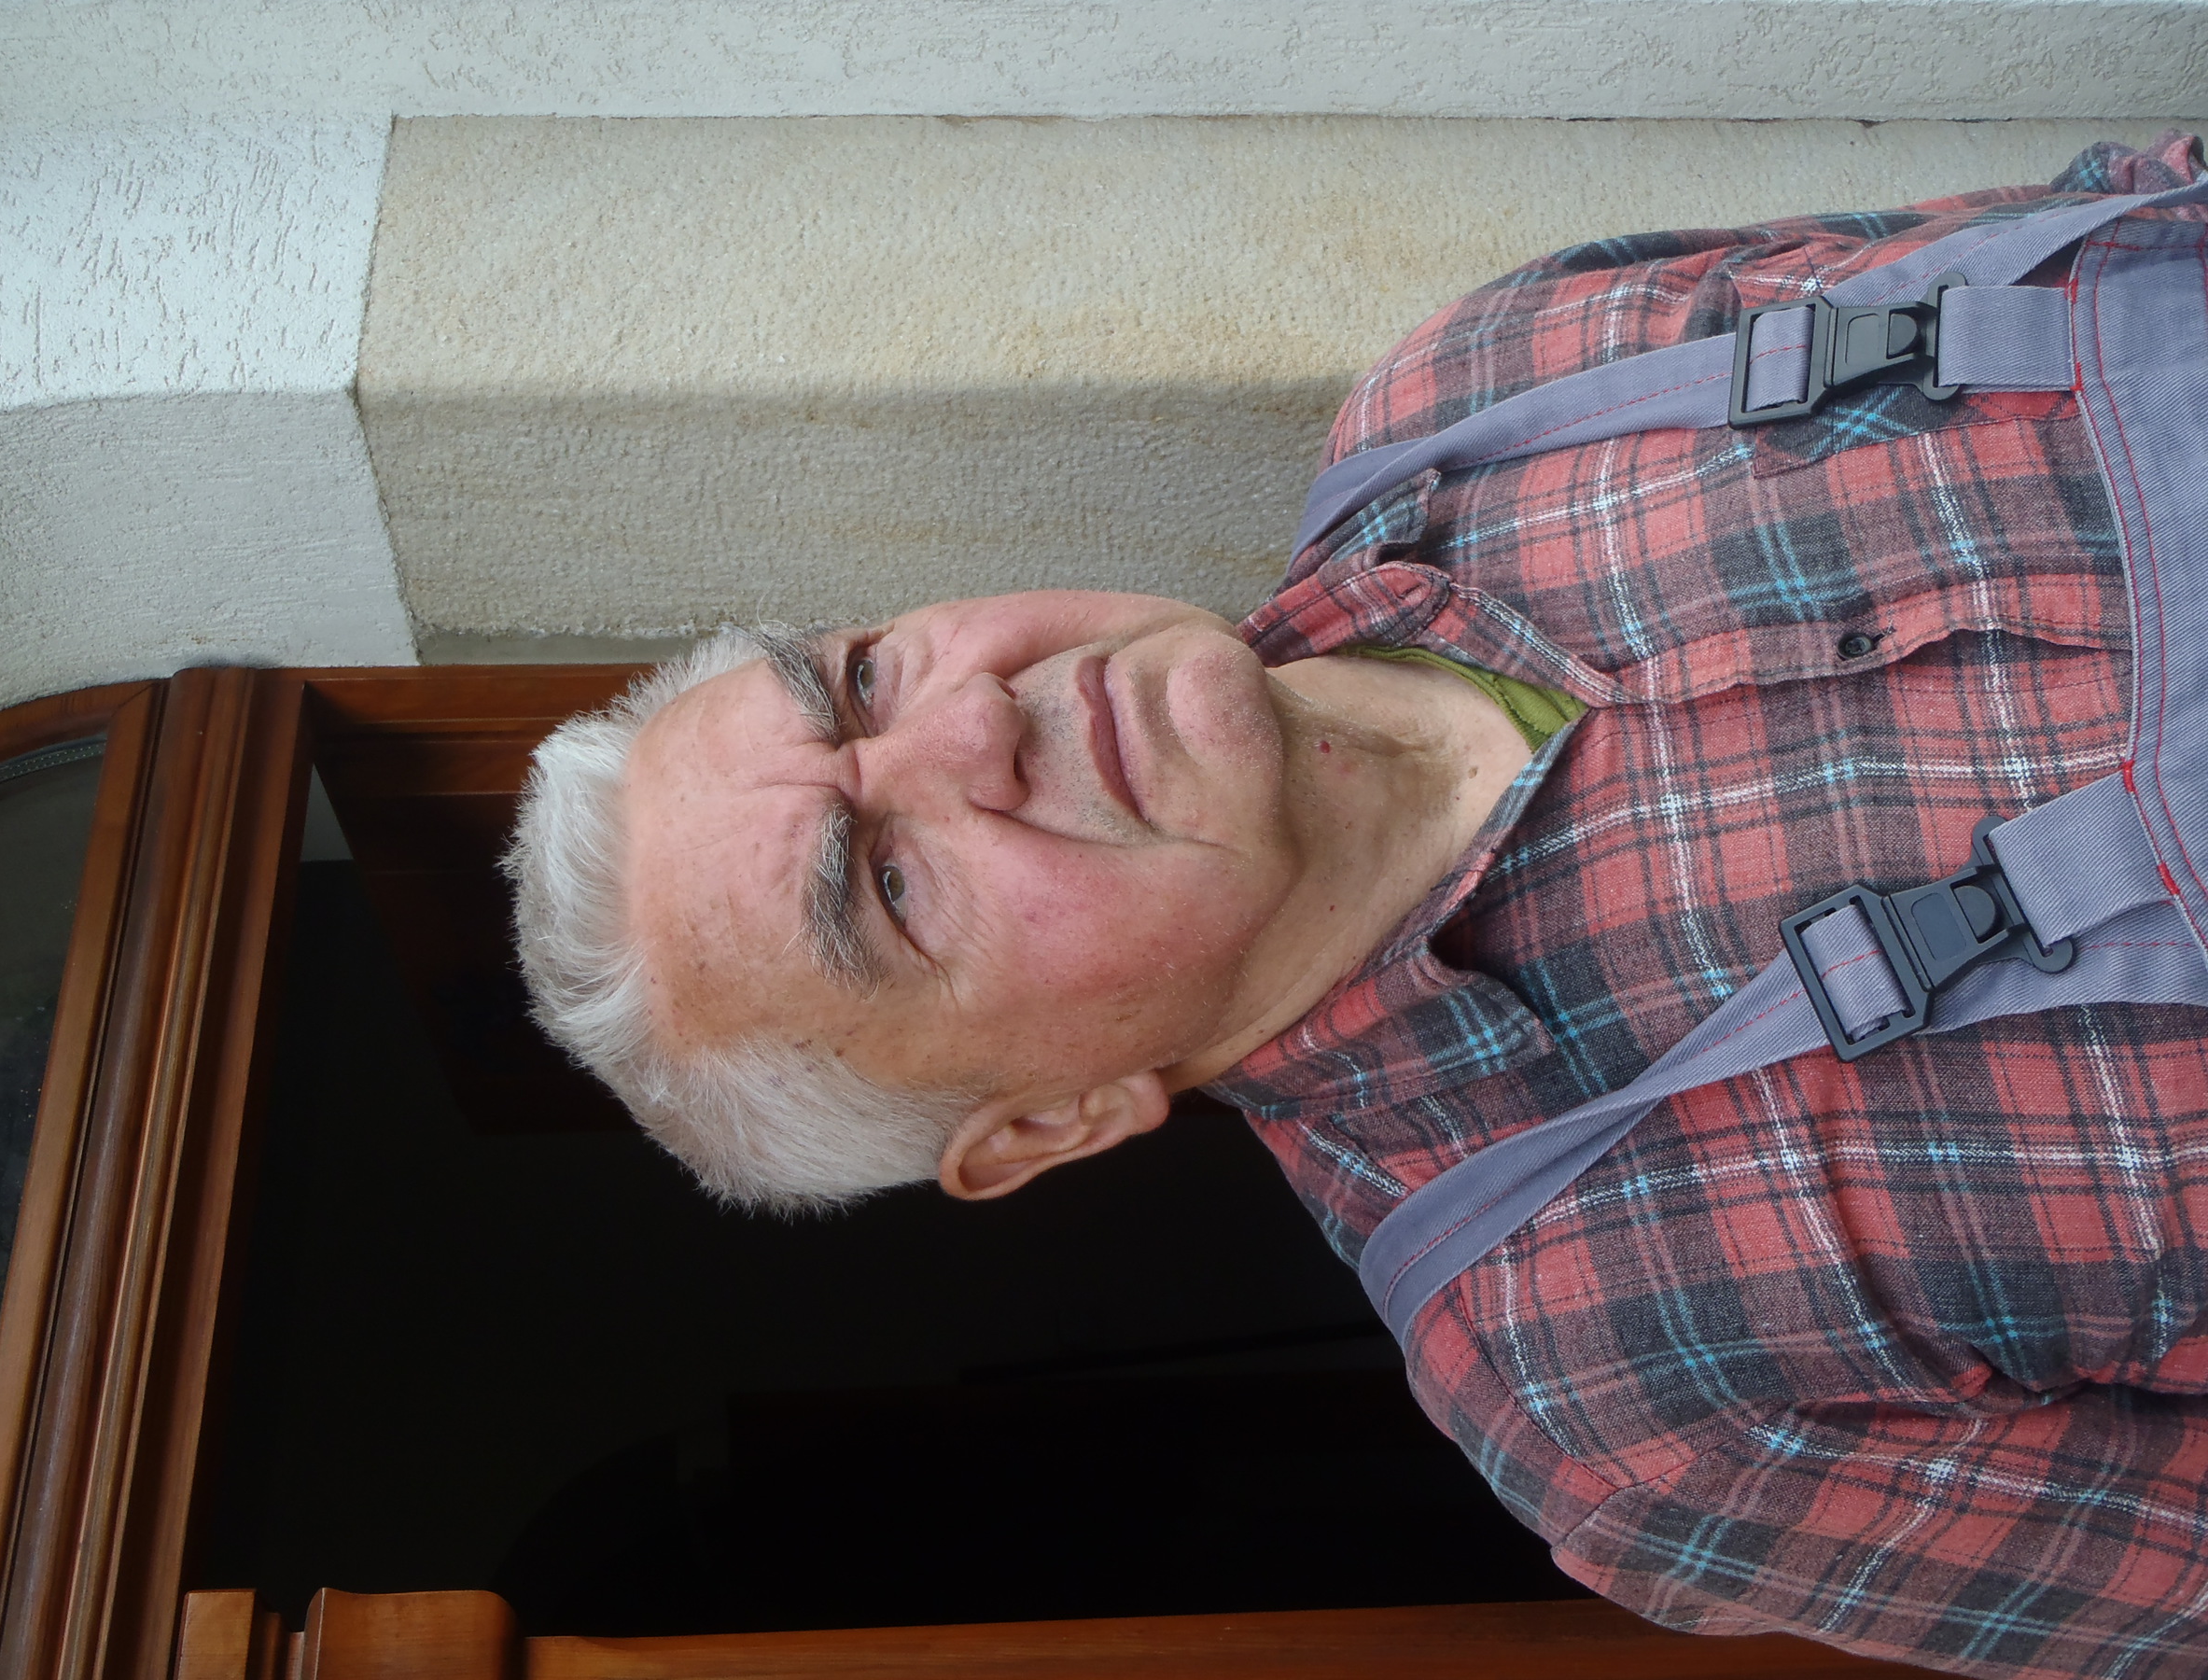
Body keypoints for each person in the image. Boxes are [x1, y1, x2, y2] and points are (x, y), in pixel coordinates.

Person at [506, 133, 2208, 1678]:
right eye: (888, 882)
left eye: (863, 677)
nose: (970, 724)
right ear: (1047, 1124)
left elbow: (2142, 209)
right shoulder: (1626, 1406)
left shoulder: (1494, 376)